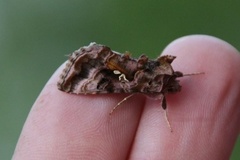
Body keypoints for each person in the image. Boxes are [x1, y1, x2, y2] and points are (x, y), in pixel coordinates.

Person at [13, 35, 240, 159]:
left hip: (126, 73)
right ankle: (92, 63)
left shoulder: (163, 81)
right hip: (123, 75)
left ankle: (96, 60)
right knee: (122, 84)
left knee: (124, 84)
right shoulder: (151, 85)